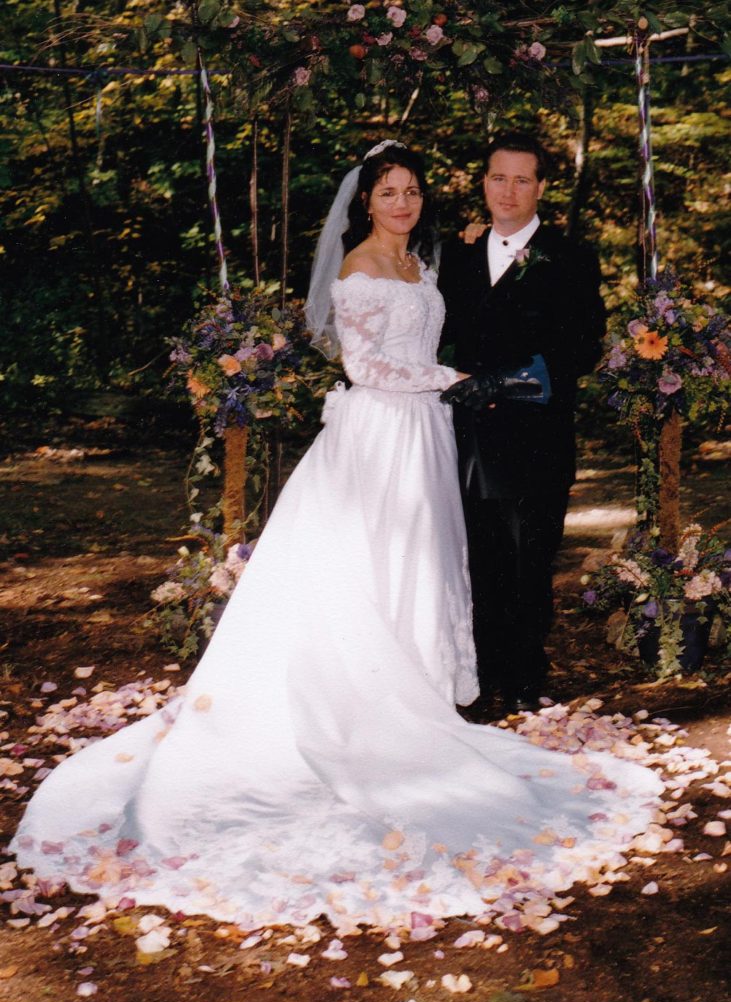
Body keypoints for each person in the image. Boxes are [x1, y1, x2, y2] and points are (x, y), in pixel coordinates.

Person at [10, 141, 660, 936]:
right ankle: (379, 697)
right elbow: (366, 366)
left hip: (432, 433)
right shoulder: (357, 268)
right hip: (384, 432)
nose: (402, 201)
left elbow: (510, 337)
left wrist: (472, 381)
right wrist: (459, 381)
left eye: (413, 189)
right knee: (370, 562)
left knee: (431, 560)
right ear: (365, 202)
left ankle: (441, 680)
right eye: (389, 191)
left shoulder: (430, 261)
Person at [438, 132, 606, 715]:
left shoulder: (571, 258)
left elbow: (582, 346)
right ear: (482, 182)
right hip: (461, 436)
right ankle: (480, 678)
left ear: (541, 187)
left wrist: (504, 380)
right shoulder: (455, 256)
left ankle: (526, 678)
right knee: (476, 558)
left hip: (535, 435)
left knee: (530, 558)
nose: (508, 191)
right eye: (498, 177)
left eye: (522, 179)